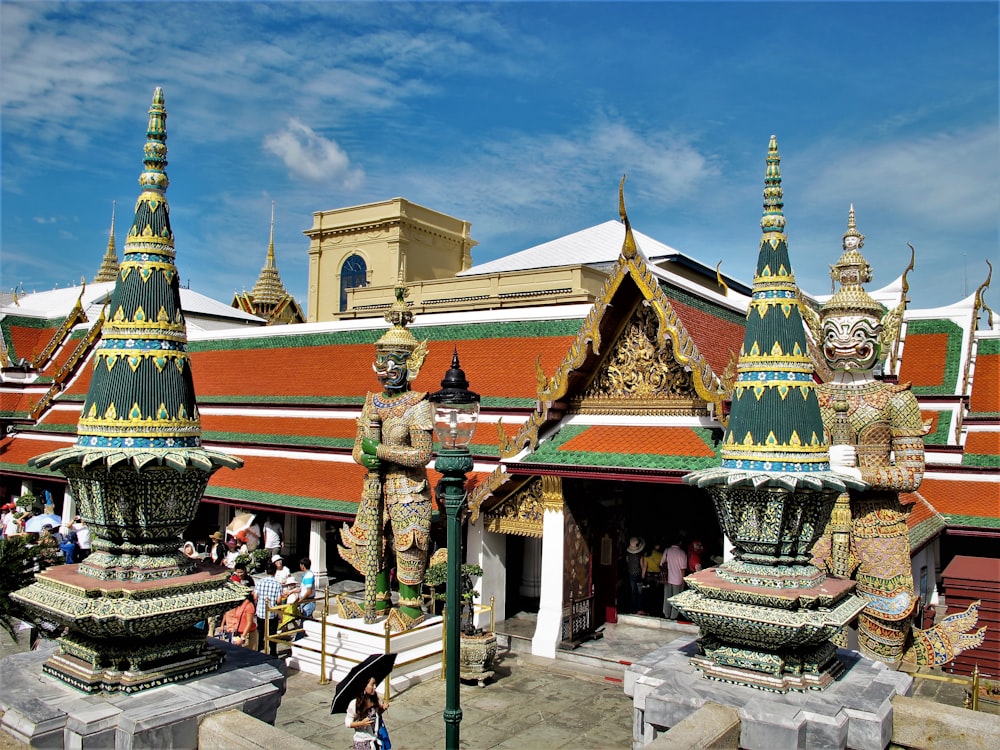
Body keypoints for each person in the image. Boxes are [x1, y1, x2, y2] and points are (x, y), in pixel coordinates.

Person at [806, 209, 983, 668]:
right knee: (813, 640)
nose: (844, 343)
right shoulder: (814, 399)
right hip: (822, 528)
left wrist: (857, 472)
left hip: (879, 527)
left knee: (883, 646)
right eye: (834, 332)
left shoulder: (895, 400)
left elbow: (912, 472)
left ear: (880, 336)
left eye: (857, 332)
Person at [338, 283, 433, 630]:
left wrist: (380, 450)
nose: (384, 368)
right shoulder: (371, 402)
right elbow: (356, 449)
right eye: (381, 360)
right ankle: (376, 600)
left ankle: (409, 606)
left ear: (412, 364)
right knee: (372, 544)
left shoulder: (419, 404)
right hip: (374, 488)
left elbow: (423, 454)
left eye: (393, 362)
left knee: (408, 544)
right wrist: (366, 459)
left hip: (409, 489)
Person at [344, 676, 389, 750]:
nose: (374, 687)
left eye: (375, 684)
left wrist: (382, 709)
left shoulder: (374, 698)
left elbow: (375, 715)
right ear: (364, 686)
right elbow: (347, 723)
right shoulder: (354, 703)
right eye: (372, 684)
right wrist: (361, 723)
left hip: (375, 739)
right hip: (362, 743)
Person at [254, 561, 284, 656]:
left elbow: (255, 596)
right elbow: (279, 601)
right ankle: (273, 652)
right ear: (275, 572)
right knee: (272, 633)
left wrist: (257, 604)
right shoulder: (277, 584)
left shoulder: (260, 582)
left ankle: (258, 650)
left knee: (260, 631)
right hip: (272, 613)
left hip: (260, 611)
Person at [220, 579, 258, 650]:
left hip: (247, 634)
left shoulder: (249, 605)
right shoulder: (237, 605)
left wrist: (242, 638)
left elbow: (249, 623)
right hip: (238, 633)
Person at [661, 539, 687, 620]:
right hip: (677, 579)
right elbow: (683, 569)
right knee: (676, 599)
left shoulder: (667, 550)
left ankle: (666, 614)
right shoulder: (682, 553)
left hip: (667, 578)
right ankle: (673, 616)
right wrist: (683, 580)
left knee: (667, 597)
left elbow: (661, 563)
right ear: (679, 542)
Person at [624, 537, 646, 614]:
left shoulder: (628, 555)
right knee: (640, 593)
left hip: (631, 574)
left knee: (633, 592)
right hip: (638, 575)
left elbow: (628, 563)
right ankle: (639, 609)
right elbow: (643, 566)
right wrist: (643, 576)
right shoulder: (640, 555)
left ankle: (633, 609)